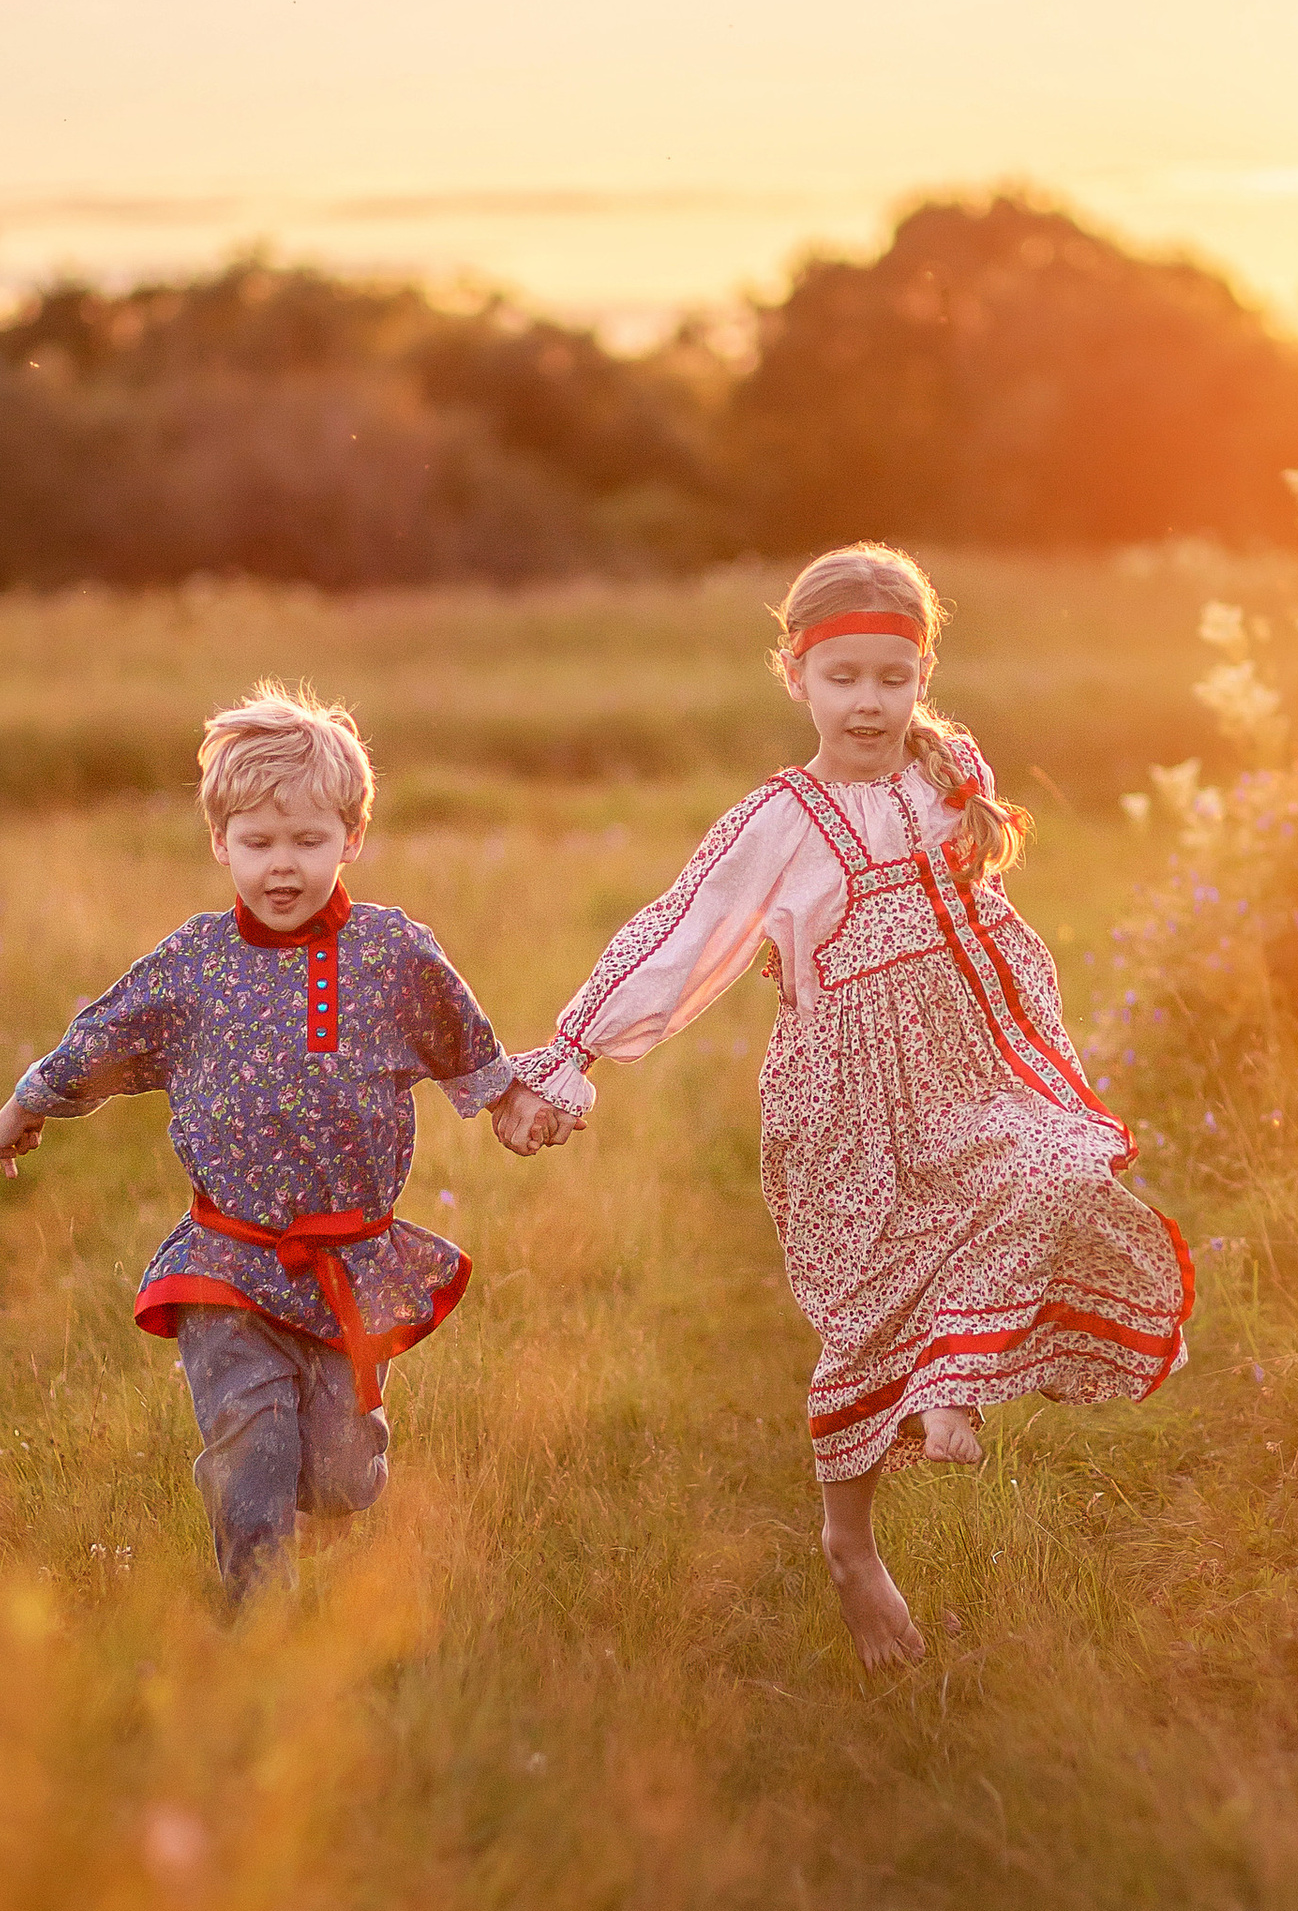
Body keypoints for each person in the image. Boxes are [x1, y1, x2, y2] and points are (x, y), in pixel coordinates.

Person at [509, 545, 1191, 1671]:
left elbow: (978, 913)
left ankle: (953, 1377)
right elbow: (680, 937)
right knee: (865, 1317)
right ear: (795, 677)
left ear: (923, 674)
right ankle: (851, 1543)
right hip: (846, 1099)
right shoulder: (777, 819)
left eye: (892, 675)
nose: (868, 702)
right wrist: (568, 1058)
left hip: (969, 1069)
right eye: (843, 679)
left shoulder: (945, 774)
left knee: (1051, 1173)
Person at [0, 682, 563, 1603]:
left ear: (353, 838)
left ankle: (338, 1476)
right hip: (229, 1257)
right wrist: (33, 1098)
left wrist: (507, 1104)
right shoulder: (197, 961)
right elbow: (108, 1032)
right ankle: (257, 1627)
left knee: (337, 1480)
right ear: (221, 844)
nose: (281, 866)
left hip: (345, 1257)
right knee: (252, 1446)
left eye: (308, 841)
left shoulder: (391, 953)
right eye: (257, 843)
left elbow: (463, 1038)